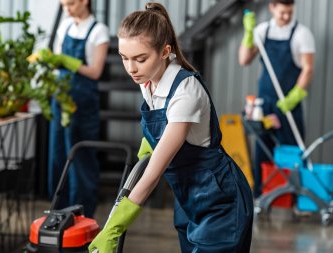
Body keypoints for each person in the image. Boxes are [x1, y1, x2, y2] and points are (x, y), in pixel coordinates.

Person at [88, 2, 253, 253]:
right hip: (187, 197)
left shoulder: (185, 92)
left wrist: (114, 227)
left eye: (140, 59)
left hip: (220, 200)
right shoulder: (148, 79)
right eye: (124, 58)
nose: (131, 68)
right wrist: (148, 145)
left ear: (165, 52)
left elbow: (155, 171)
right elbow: (158, 126)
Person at [35, 0, 109, 217]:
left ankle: (81, 214)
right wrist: (51, 60)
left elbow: (95, 71)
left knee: (81, 157)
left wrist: (69, 61)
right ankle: (58, 213)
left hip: (83, 104)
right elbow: (58, 64)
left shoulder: (99, 30)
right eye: (63, 4)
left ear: (85, 1)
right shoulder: (65, 26)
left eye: (71, 3)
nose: (67, 8)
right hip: (61, 100)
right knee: (58, 156)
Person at [238, 0, 315, 198]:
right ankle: (261, 198)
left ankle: (299, 200)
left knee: (293, 152)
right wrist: (248, 35)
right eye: (282, 12)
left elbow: (308, 68)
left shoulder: (302, 34)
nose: (286, 16)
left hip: (289, 103)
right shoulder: (262, 31)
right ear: (272, 7)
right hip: (265, 104)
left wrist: (295, 95)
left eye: (290, 12)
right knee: (262, 152)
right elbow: (244, 60)